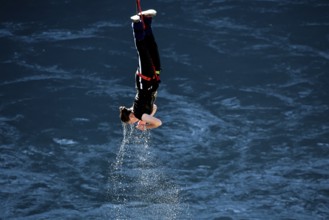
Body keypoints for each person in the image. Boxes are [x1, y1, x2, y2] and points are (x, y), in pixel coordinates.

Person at [119, 9, 162, 131]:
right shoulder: (141, 114)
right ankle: (146, 19)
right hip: (153, 77)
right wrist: (144, 121)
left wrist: (146, 127)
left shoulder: (138, 113)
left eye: (131, 122)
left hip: (145, 77)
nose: (134, 123)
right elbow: (154, 107)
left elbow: (158, 123)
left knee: (143, 51)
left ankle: (136, 24)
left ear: (131, 117)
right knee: (152, 47)